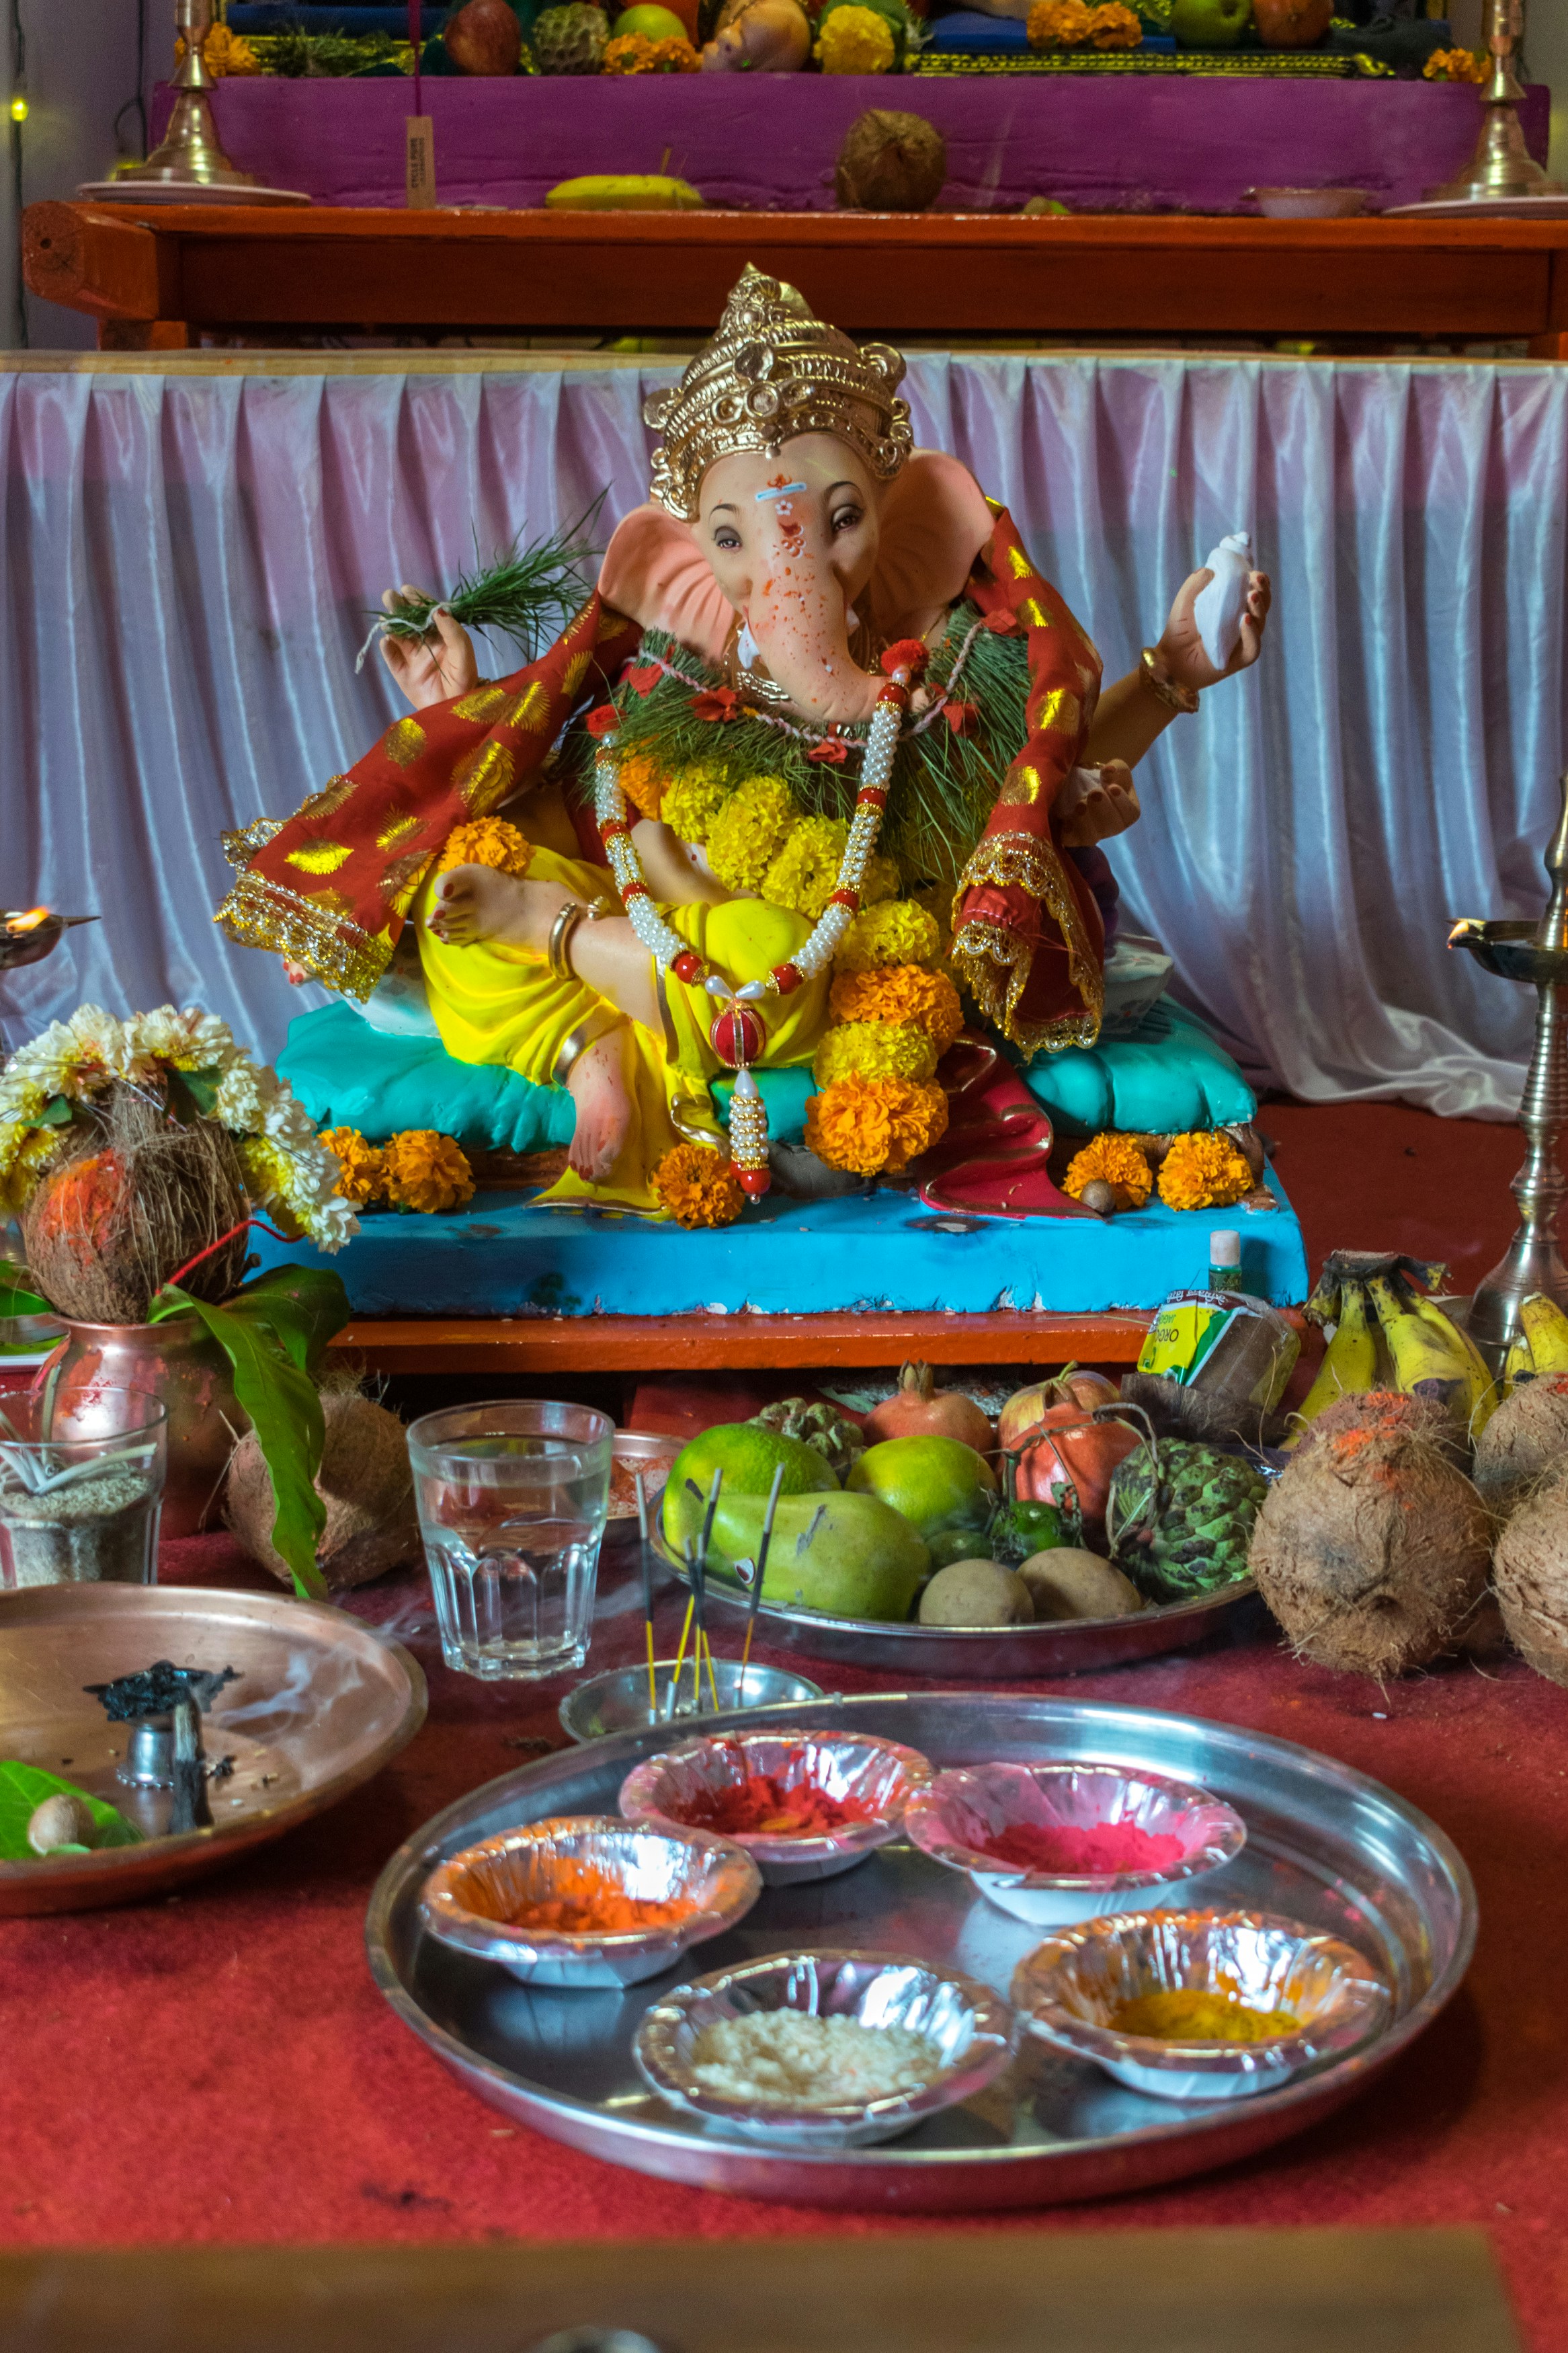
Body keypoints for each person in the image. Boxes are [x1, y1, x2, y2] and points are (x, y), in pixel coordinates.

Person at [222, 267, 1268, 1218]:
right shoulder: (668, 679)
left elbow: (1037, 773)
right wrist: (458, 719)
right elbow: (565, 803)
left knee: (770, 961)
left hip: (810, 956)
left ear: (916, 532)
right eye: (736, 540)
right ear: (677, 570)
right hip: (659, 925)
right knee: (458, 895)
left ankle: (563, 954)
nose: (787, 564)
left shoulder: (943, 672)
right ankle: (581, 1030)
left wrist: (1171, 672)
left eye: (838, 518)